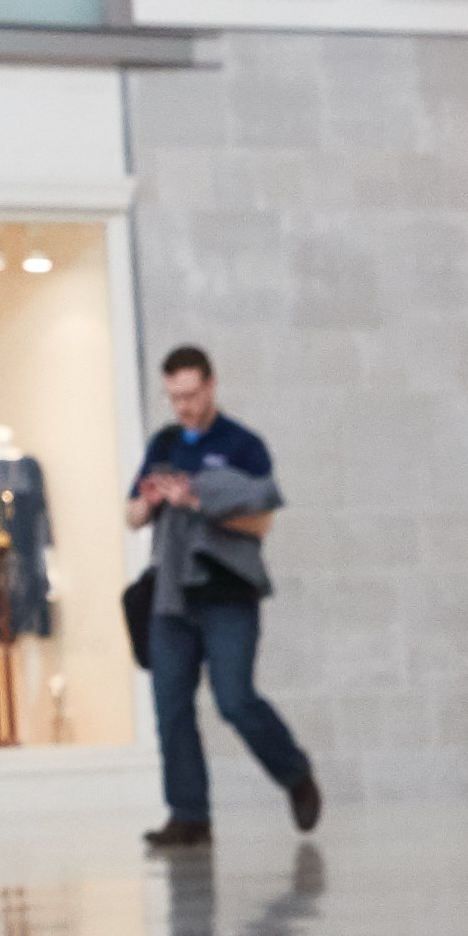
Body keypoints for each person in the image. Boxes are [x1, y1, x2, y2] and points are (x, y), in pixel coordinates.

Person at [133, 343, 322, 842]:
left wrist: (197, 499)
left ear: (211, 386)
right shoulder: (165, 444)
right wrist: (151, 500)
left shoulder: (243, 445)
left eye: (191, 395)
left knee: (234, 699)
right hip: (171, 596)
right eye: (174, 397)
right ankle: (189, 815)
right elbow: (129, 515)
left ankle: (295, 773)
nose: (183, 407)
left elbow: (260, 522)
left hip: (227, 595)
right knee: (170, 706)